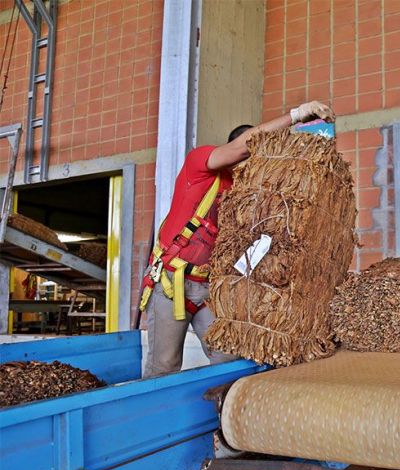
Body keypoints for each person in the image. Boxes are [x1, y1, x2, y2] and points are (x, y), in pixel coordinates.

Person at [139, 101, 335, 377]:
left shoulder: (246, 193)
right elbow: (243, 145)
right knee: (164, 365)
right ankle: (153, 418)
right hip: (173, 281)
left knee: (229, 357)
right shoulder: (201, 164)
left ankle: (220, 416)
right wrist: (295, 116)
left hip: (212, 288)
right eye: (249, 154)